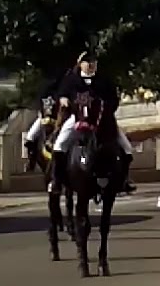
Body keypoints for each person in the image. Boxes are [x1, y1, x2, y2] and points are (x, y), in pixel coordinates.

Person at [49, 50, 136, 195]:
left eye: (93, 62)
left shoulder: (104, 80)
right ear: (80, 64)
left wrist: (105, 111)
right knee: (60, 144)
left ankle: (124, 180)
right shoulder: (71, 79)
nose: (91, 65)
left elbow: (114, 100)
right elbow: (62, 94)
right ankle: (56, 181)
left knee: (126, 147)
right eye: (87, 62)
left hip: (103, 120)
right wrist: (63, 99)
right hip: (78, 118)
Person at [23, 79, 61, 171]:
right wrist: (41, 115)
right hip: (44, 120)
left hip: (57, 121)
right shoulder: (43, 95)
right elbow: (40, 108)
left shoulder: (60, 95)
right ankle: (31, 160)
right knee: (30, 137)